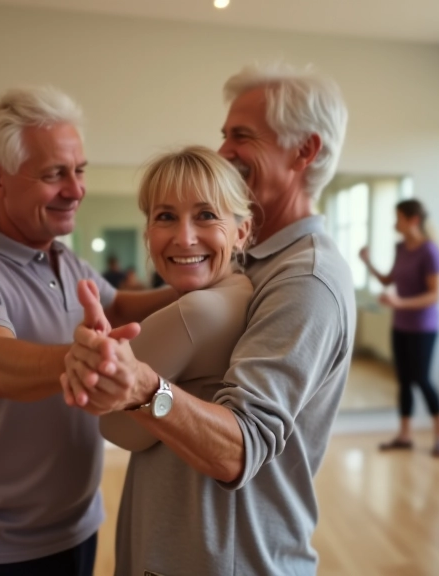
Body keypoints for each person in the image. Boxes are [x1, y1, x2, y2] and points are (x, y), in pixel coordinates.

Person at [63, 63, 354, 575]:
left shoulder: (305, 279)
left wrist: (143, 388)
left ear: (304, 151)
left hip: (228, 558)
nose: (224, 151)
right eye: (224, 135)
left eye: (242, 136)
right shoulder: (243, 267)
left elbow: (240, 448)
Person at [0, 86, 177, 576]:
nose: (76, 190)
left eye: (79, 171)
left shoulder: (62, 255)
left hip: (77, 524)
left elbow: (118, 306)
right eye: (55, 174)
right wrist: (80, 360)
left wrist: (209, 284)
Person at [76, 145, 254, 566]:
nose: (184, 236)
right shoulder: (241, 290)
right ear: (147, 233)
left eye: (206, 215)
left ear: (241, 231)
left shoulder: (194, 312)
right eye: (166, 217)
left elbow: (116, 428)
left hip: (184, 540)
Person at [360, 199, 439, 457]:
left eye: (397, 217)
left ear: (413, 220)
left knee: (422, 379)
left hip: (424, 328)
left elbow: (435, 295)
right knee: (404, 382)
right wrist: (367, 262)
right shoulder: (401, 248)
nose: (394, 223)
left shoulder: (430, 252)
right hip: (400, 325)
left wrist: (400, 302)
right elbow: (389, 279)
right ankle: (405, 435)